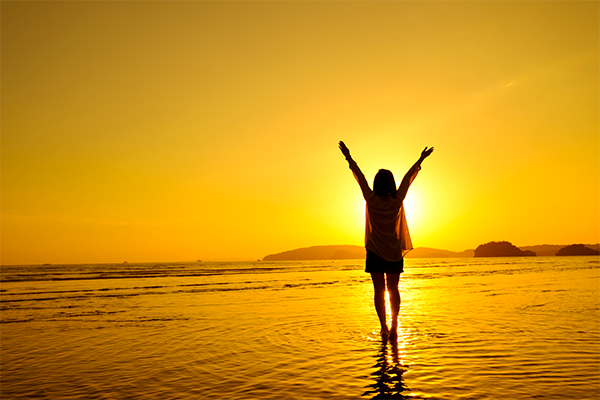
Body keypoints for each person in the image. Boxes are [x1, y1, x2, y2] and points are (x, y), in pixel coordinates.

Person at [339, 141, 433, 341]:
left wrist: (348, 156)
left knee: (379, 291)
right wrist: (420, 160)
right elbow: (408, 179)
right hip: (392, 251)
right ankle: (394, 326)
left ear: (376, 184)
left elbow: (360, 177)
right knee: (393, 289)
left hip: (374, 251)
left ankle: (383, 327)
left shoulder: (370, 199)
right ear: (391, 184)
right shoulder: (397, 200)